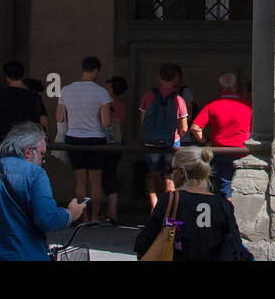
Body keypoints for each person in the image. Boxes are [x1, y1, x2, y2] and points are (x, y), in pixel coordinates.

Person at [0, 122, 85, 261]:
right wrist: (71, 214)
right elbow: (47, 219)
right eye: (42, 154)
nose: (43, 160)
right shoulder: (35, 174)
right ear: (28, 152)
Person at [132, 146, 252, 261]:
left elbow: (143, 243)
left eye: (171, 170)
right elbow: (236, 247)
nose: (171, 175)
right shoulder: (223, 205)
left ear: (181, 172)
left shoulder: (170, 200)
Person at [57, 56, 111, 221]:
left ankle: (83, 216)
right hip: (95, 139)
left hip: (74, 138)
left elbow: (59, 117)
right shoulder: (101, 92)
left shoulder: (66, 90)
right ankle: (94, 216)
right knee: (95, 181)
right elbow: (106, 121)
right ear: (96, 71)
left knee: (80, 181)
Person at [190, 73, 253, 198]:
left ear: (220, 86)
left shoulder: (212, 105)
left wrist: (207, 141)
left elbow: (195, 128)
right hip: (243, 151)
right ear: (236, 87)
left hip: (221, 151)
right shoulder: (248, 106)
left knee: (225, 187)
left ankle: (228, 214)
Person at [139, 64, 190, 210]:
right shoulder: (179, 99)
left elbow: (143, 121)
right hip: (171, 142)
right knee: (169, 176)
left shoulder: (149, 95)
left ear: (159, 77)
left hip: (151, 143)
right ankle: (168, 211)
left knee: (153, 174)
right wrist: (177, 137)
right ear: (175, 79)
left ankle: (154, 209)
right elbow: (184, 127)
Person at [100, 76, 128, 223]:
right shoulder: (121, 106)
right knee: (110, 175)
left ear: (111, 87)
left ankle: (110, 213)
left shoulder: (106, 104)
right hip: (118, 142)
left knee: (103, 177)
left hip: (105, 142)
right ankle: (111, 212)